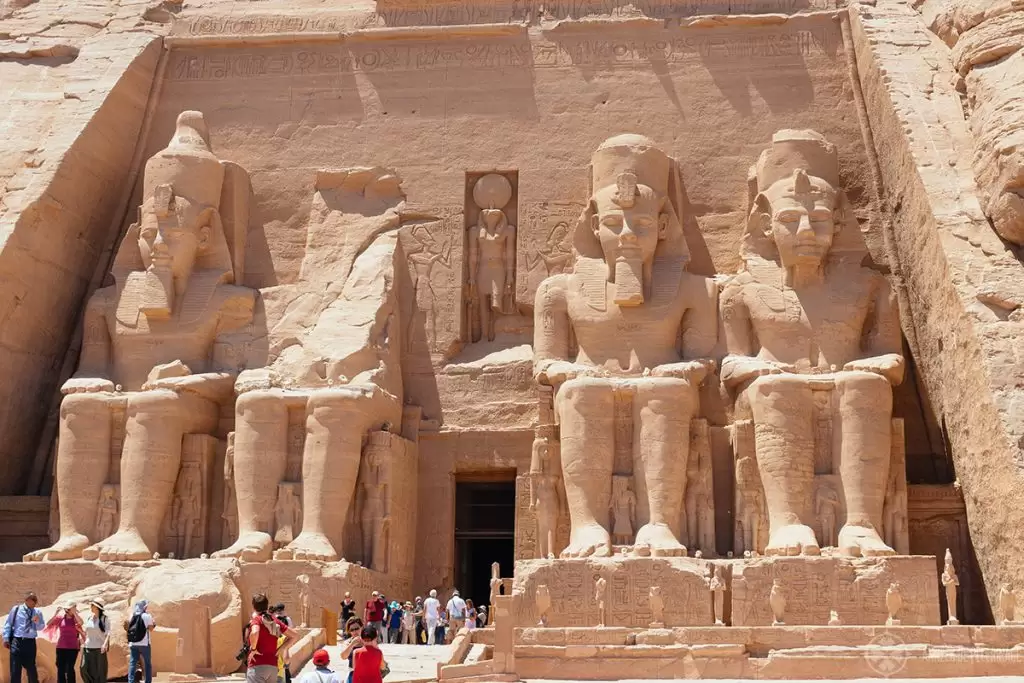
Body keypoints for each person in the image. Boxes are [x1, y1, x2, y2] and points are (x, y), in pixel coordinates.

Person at [247, 594, 294, 683]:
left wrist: (253, 649)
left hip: (257, 665)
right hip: (273, 666)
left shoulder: (257, 620)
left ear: (254, 606)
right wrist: (282, 648)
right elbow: (294, 636)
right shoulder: (274, 620)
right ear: (267, 605)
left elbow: (255, 632)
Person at [4, 592, 44, 683]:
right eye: (33, 600)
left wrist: (37, 622)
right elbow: (8, 624)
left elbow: (41, 627)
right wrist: (6, 639)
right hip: (17, 642)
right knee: (15, 669)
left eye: (35, 600)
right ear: (27, 600)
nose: (35, 602)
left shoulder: (37, 612)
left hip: (30, 643)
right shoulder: (16, 609)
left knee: (31, 669)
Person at [48, 605, 84, 683]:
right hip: (61, 647)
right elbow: (48, 624)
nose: (74, 610)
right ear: (68, 610)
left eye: (74, 609)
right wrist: (55, 614)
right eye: (72, 609)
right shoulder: (61, 618)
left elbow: (81, 622)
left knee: (69, 668)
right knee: (60, 668)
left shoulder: (75, 619)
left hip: (73, 648)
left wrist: (75, 613)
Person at [79, 601, 109, 683]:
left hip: (99, 648)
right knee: (83, 668)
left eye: (92, 605)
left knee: (99, 672)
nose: (91, 607)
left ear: (97, 607)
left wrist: (104, 644)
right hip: (88, 646)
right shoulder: (89, 618)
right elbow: (86, 632)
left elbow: (108, 633)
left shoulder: (104, 619)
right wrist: (79, 631)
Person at [126, 601, 155, 683]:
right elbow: (151, 629)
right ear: (144, 607)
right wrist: (154, 623)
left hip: (133, 643)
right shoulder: (147, 616)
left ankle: (130, 681)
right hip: (144, 643)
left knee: (132, 663)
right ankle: (148, 681)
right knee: (147, 664)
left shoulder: (132, 615)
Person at [339, 618, 364, 683]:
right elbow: (343, 656)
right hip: (353, 674)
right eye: (352, 630)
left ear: (361, 627)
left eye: (357, 628)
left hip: (366, 674)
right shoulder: (347, 642)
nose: (355, 632)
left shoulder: (368, 641)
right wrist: (352, 644)